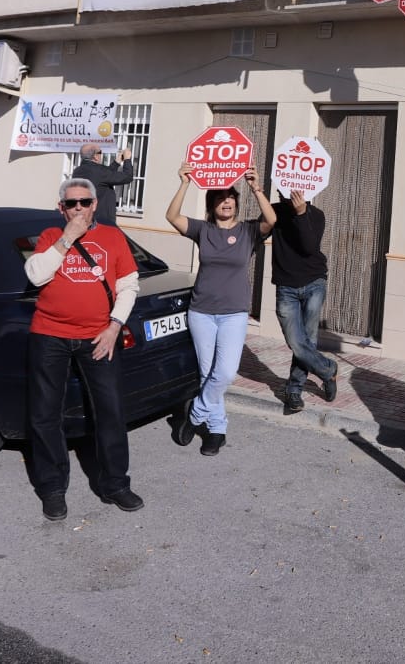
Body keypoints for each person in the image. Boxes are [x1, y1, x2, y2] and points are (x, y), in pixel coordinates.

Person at [22, 176, 145, 520]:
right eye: (71, 203)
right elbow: (35, 275)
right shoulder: (50, 237)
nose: (78, 208)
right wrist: (66, 240)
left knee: (110, 410)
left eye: (84, 202)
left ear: (95, 205)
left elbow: (128, 286)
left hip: (99, 336)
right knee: (45, 414)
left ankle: (115, 483)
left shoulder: (113, 236)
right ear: (61, 208)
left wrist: (114, 326)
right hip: (49, 335)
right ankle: (52, 487)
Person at [164, 163, 275, 454]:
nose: (226, 201)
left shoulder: (249, 231)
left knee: (225, 372)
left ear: (236, 202)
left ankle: (195, 414)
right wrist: (185, 183)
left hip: (234, 314)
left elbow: (272, 219)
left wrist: (256, 188)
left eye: (231, 197)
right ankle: (217, 430)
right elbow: (172, 216)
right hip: (201, 311)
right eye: (220, 198)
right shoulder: (203, 230)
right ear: (212, 205)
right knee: (207, 373)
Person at [270, 189, 339, 414]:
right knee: (297, 342)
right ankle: (328, 370)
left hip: (313, 283)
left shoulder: (316, 214)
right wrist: (256, 189)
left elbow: (309, 247)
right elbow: (257, 229)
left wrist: (301, 213)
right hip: (286, 287)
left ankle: (294, 390)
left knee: (307, 340)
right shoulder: (274, 212)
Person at [71, 143, 135, 228]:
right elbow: (127, 177)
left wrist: (116, 162)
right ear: (95, 156)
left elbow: (103, 176)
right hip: (102, 221)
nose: (101, 155)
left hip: (84, 218)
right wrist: (127, 159)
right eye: (100, 152)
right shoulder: (99, 171)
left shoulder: (77, 171)